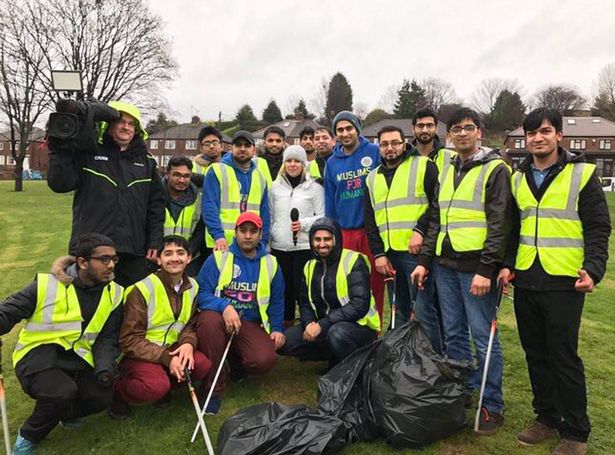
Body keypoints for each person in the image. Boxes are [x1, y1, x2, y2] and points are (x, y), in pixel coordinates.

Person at [498, 108, 610, 454]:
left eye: (545, 131)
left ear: (559, 135)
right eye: (531, 134)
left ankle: (575, 432)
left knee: (563, 356)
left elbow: (598, 227)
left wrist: (593, 268)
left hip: (565, 279)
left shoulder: (583, 174)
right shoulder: (518, 178)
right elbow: (511, 228)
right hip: (528, 277)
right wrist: (505, 265)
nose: (537, 138)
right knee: (536, 354)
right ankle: (546, 417)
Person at [412, 107, 512, 435]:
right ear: (449, 136)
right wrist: (425, 262)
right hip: (445, 265)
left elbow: (500, 223)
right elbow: (436, 219)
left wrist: (487, 268)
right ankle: (463, 390)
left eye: (468, 128)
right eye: (456, 129)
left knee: (483, 338)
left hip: (476, 270)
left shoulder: (496, 169)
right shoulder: (447, 169)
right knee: (453, 333)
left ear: (479, 132)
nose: (462, 133)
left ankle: (491, 404)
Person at [0, 233, 124, 454]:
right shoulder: (46, 284)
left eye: (114, 259)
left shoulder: (115, 292)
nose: (111, 265)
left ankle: (66, 415)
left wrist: (105, 369)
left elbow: (107, 337)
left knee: (102, 395)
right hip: (37, 357)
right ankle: (29, 436)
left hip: (77, 359)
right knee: (61, 392)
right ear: (82, 262)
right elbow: (8, 311)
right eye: (104, 259)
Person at [47, 101, 165, 287]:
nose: (126, 127)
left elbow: (156, 206)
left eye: (132, 123)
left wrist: (155, 241)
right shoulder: (89, 153)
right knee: (90, 307)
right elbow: (60, 184)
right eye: (121, 121)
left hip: (133, 250)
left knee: (131, 308)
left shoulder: (147, 162)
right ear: (108, 125)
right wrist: (59, 150)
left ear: (137, 130)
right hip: (91, 251)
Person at [109, 235, 211, 418]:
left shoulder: (193, 286)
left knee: (202, 365)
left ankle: (164, 388)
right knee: (154, 386)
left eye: (180, 253)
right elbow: (129, 340)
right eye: (168, 253)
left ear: (189, 258)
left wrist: (188, 343)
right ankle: (118, 391)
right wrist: (166, 358)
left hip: (171, 348)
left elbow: (190, 323)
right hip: (140, 353)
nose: (174, 258)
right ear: (158, 259)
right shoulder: (142, 289)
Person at [195, 212, 285, 414]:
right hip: (218, 320)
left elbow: (278, 301)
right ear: (235, 233)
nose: (247, 235)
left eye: (253, 231)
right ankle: (213, 390)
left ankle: (235, 362)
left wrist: (278, 328)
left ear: (260, 234)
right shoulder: (219, 258)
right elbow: (200, 294)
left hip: (248, 323)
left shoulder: (271, 263)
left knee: (264, 360)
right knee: (208, 321)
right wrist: (224, 307)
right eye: (243, 230)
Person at [364, 126, 442, 352]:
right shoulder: (372, 178)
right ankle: (403, 362)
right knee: (399, 310)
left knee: (425, 312)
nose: (390, 148)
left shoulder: (423, 166)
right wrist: (378, 253)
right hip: (389, 256)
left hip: (416, 255)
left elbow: (438, 205)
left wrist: (420, 229)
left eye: (394, 143)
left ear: (404, 143)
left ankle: (434, 364)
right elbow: (371, 220)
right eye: (384, 144)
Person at [279, 217, 379, 367]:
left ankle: (357, 362)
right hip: (325, 326)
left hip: (358, 327)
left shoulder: (353, 260)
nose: (322, 244)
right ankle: (332, 355)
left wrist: (323, 325)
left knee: (337, 334)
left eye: (327, 239)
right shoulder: (309, 265)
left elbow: (360, 304)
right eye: (317, 239)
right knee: (285, 342)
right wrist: (308, 324)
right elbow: (305, 303)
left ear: (336, 240)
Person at [324, 111, 384, 320]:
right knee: (350, 283)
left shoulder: (375, 152)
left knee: (375, 281)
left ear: (357, 129)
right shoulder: (332, 163)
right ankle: (352, 328)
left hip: (371, 231)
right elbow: (330, 201)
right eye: (339, 130)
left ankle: (374, 330)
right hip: (345, 232)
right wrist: (331, 231)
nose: (345, 133)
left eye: (349, 128)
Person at [269, 145, 325, 327]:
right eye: (289, 161)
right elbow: (269, 216)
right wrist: (269, 242)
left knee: (303, 289)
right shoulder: (274, 188)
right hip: (279, 247)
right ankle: (285, 325)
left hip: (304, 248)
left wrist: (304, 224)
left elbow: (322, 216)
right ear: (284, 164)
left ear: (304, 164)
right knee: (282, 290)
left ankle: (308, 325)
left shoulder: (315, 188)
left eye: (297, 161)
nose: (293, 165)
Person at [201, 130, 270, 255]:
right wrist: (218, 235)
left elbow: (264, 212)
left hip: (250, 245)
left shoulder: (260, 177)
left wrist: (263, 241)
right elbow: (209, 206)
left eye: (247, 145)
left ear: (254, 150)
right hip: (221, 244)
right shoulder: (216, 170)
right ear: (231, 148)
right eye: (238, 145)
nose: (242, 149)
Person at [162, 156, 205, 274]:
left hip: (188, 260)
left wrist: (188, 253)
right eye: (177, 175)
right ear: (167, 174)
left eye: (186, 176)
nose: (181, 180)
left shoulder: (198, 200)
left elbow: (200, 231)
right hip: (158, 258)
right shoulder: (155, 196)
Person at [411, 107, 456, 179]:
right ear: (413, 129)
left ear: (436, 129)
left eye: (429, 125)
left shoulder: (453, 158)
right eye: (420, 126)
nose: (425, 130)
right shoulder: (404, 158)